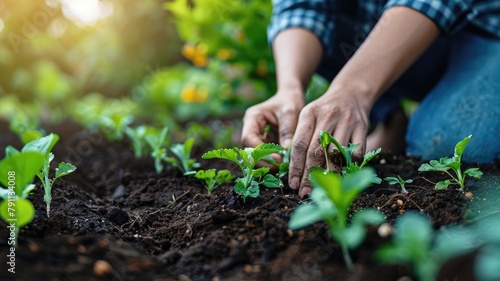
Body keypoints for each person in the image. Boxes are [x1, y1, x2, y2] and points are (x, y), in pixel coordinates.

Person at [241, 0, 500, 197]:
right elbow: (302, 7)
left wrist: (353, 89)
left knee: (445, 152)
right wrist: (289, 89)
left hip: (483, 29)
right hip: (384, 34)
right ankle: (389, 119)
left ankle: (430, 109)